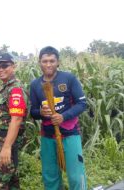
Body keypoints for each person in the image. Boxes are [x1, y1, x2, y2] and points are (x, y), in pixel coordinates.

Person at [30, 46, 87, 190]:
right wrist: (41, 112)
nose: (48, 64)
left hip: (70, 133)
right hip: (48, 136)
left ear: (58, 62)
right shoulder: (35, 84)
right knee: (50, 176)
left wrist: (63, 116)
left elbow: (82, 103)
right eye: (45, 61)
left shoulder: (69, 79)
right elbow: (33, 112)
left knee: (76, 176)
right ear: (39, 63)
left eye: (52, 61)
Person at [0, 53, 28, 189]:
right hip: (5, 142)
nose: (0, 69)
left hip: (9, 144)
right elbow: (7, 116)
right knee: (12, 183)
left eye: (4, 66)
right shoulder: (6, 88)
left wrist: (7, 147)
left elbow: (17, 118)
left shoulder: (15, 89)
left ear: (13, 66)